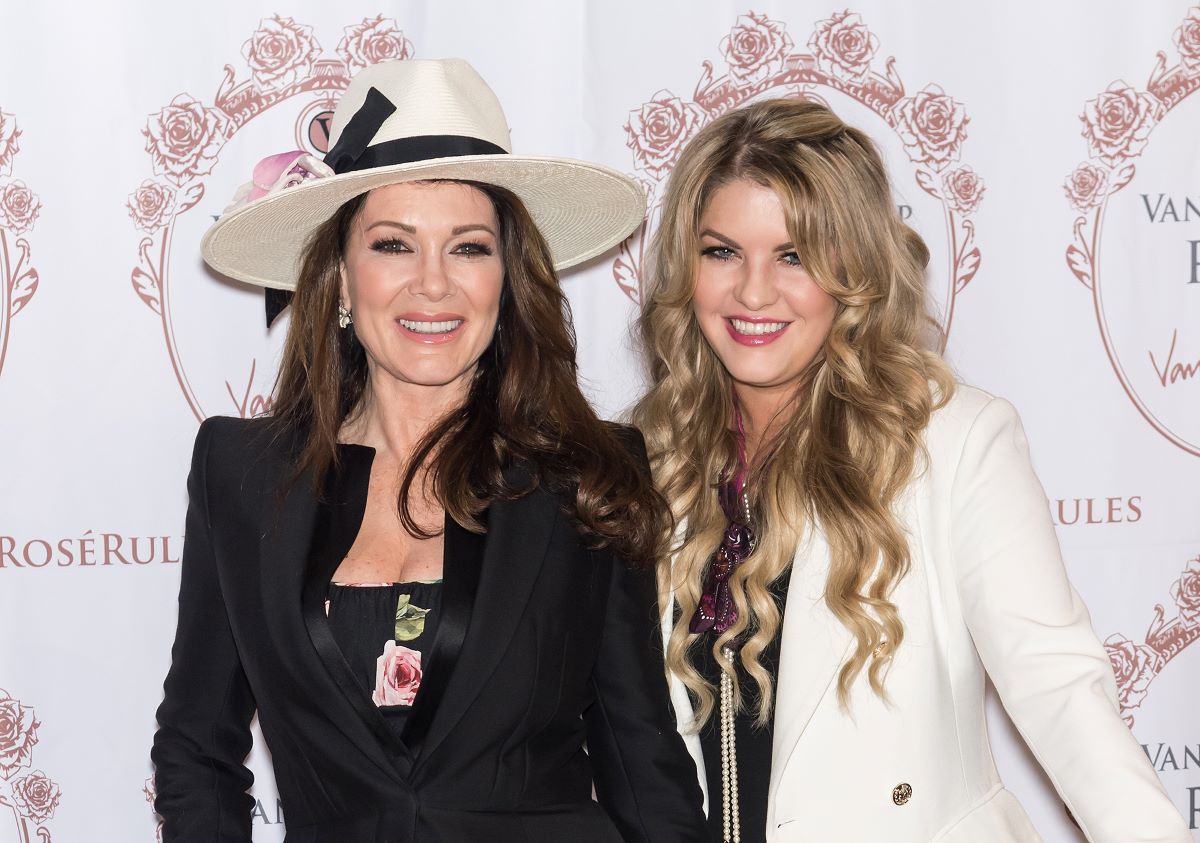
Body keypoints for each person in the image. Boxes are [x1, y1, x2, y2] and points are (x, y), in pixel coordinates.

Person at [150, 58, 706, 842]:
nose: (434, 285)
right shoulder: (239, 473)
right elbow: (197, 748)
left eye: (469, 248)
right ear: (342, 278)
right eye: (394, 244)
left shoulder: (586, 474)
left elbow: (639, 755)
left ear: (507, 278)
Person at [632, 98, 1190, 842]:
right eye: (722, 251)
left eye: (794, 255)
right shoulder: (648, 459)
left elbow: (1062, 691)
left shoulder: (952, 444)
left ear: (852, 271)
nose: (754, 291)